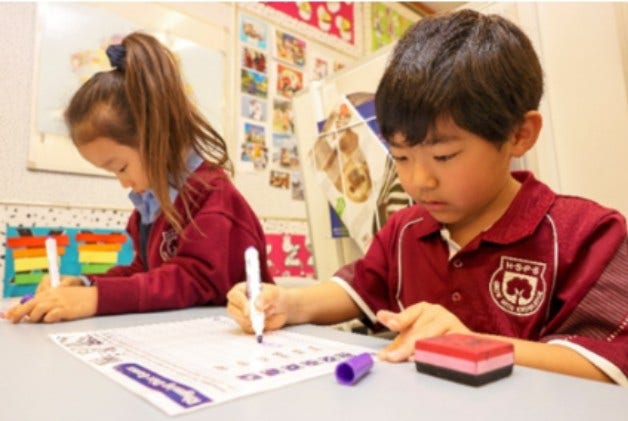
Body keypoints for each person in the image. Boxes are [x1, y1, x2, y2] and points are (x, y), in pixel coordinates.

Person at [226, 10, 627, 384]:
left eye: (444, 156)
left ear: (519, 135)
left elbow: (608, 365)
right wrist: (287, 304)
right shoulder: (407, 228)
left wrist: (475, 346)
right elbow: (359, 288)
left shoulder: (589, 235)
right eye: (400, 156)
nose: (419, 181)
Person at [6, 32, 272, 323]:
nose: (123, 183)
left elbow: (194, 280)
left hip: (239, 341)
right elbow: (144, 272)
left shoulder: (212, 197)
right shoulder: (151, 206)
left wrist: (97, 299)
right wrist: (85, 283)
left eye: (121, 167)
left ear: (156, 134)